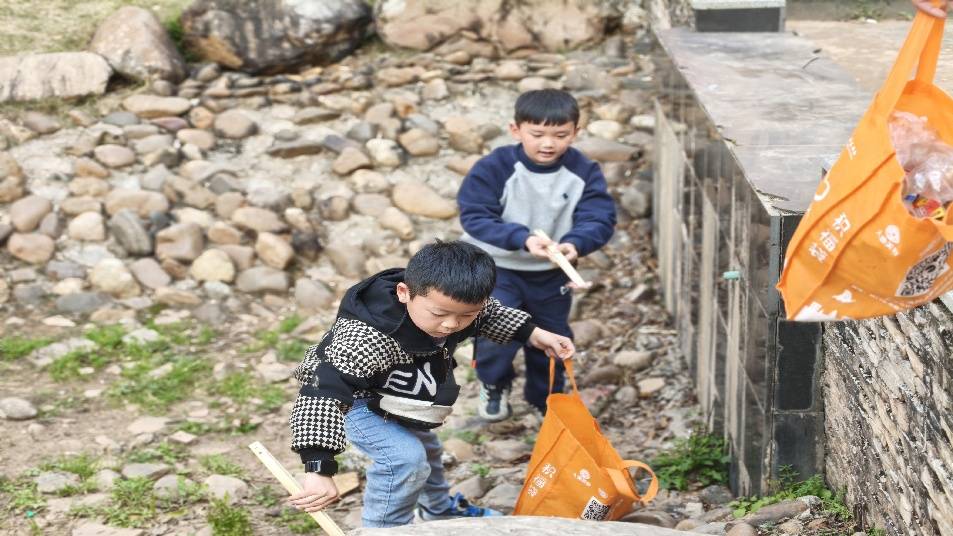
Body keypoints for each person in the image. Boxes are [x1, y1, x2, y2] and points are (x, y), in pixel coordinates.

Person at [286, 241, 575, 527]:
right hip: (356, 399)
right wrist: (318, 466)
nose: (451, 324)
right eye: (439, 314)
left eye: (466, 315)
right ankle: (384, 530)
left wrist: (534, 334)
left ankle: (438, 510)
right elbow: (323, 389)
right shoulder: (365, 336)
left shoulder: (459, 307)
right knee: (404, 460)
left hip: (402, 396)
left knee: (429, 451)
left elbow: (490, 315)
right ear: (404, 293)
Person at [457, 89, 616, 421]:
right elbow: (475, 215)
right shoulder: (496, 167)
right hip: (496, 268)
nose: (548, 143)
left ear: (575, 132)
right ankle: (494, 383)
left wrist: (575, 243)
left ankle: (546, 397)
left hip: (552, 272)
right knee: (496, 329)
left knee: (553, 335)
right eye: (537, 134)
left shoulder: (584, 171)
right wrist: (522, 238)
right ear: (516, 130)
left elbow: (599, 217)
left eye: (560, 135)